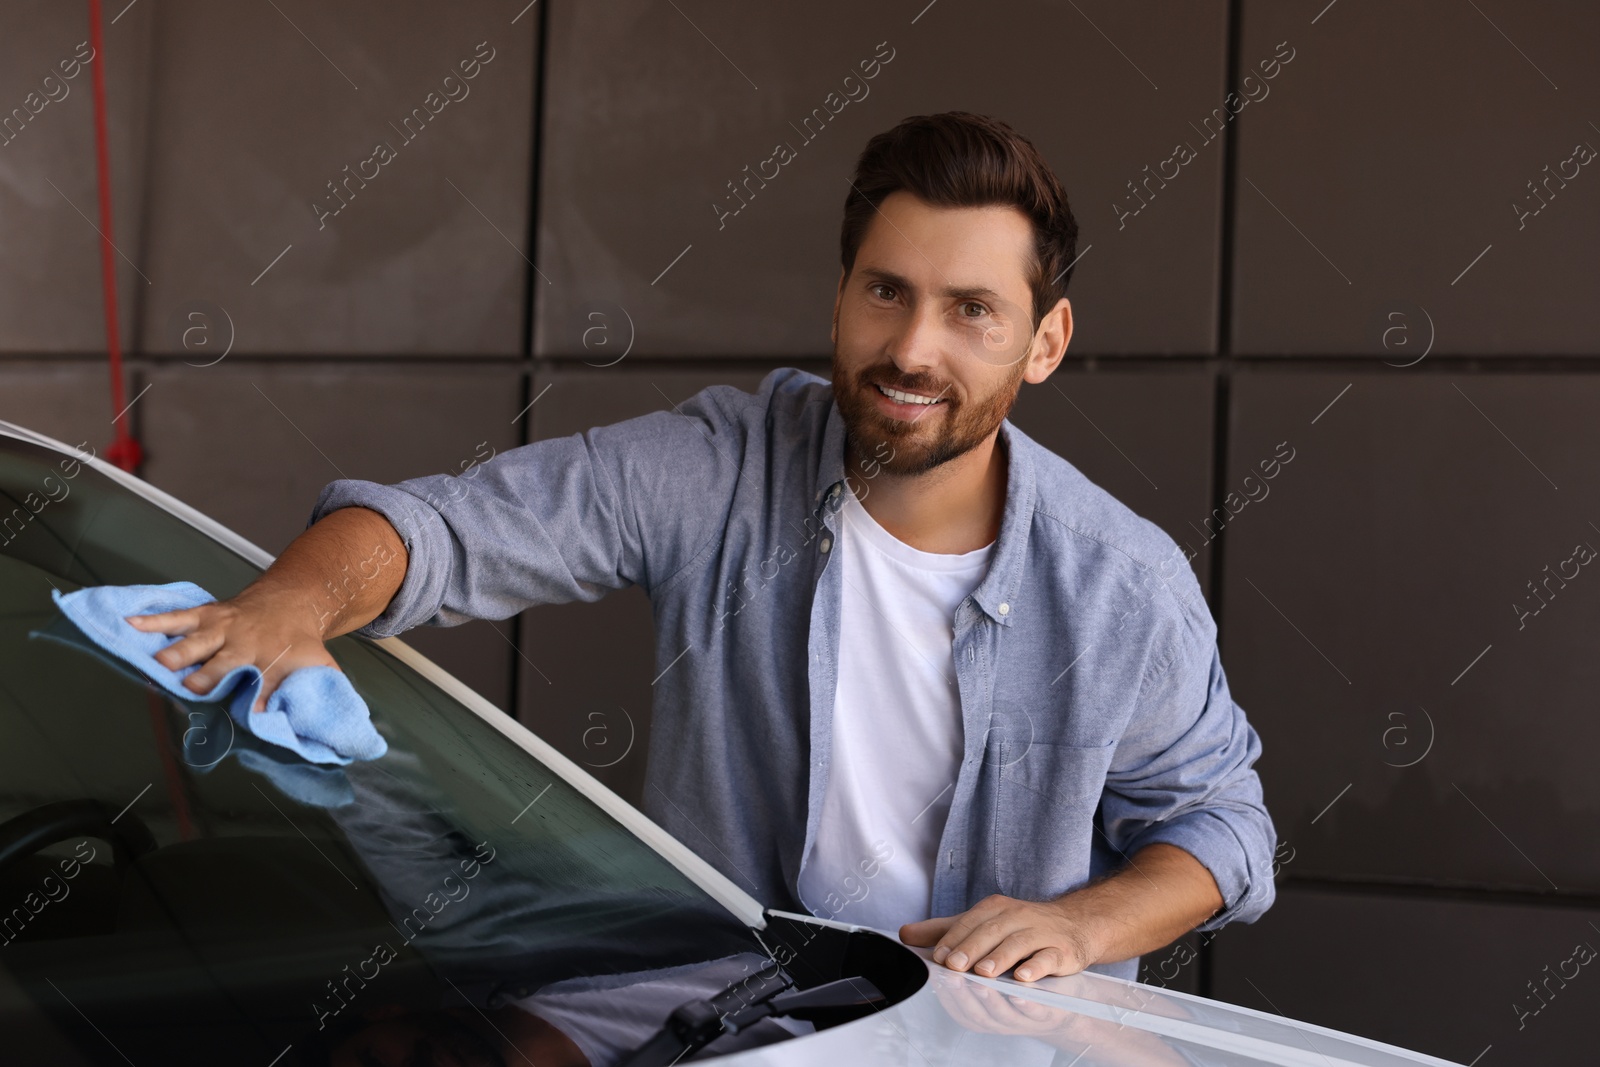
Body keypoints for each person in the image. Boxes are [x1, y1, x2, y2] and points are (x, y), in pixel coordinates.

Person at [125, 110, 1277, 986]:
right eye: (887, 291)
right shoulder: (723, 466)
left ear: (1044, 341)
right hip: (730, 1016)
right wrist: (292, 599)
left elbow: (1223, 825)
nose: (913, 348)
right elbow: (445, 525)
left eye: (971, 309)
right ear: (839, 299)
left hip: (983, 1040)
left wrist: (1081, 924)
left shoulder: (1121, 582)